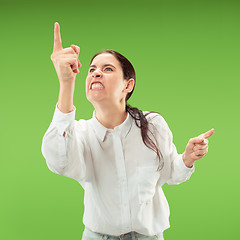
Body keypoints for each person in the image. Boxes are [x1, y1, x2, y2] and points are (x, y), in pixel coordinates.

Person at [41, 22, 215, 240]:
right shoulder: (81, 133)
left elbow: (171, 173)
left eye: (107, 69)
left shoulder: (152, 125)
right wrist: (66, 83)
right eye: (92, 69)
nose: (96, 74)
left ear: (128, 85)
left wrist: (187, 158)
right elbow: (59, 162)